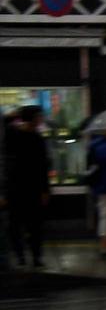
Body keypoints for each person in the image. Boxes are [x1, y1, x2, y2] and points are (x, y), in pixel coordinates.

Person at [4, 105, 51, 270]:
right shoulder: (17, 136)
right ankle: (25, 256)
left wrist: (45, 189)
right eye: (39, 116)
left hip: (25, 188)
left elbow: (43, 166)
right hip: (21, 188)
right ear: (31, 118)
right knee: (20, 224)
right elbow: (43, 165)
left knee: (32, 225)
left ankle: (32, 256)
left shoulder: (27, 137)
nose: (41, 120)